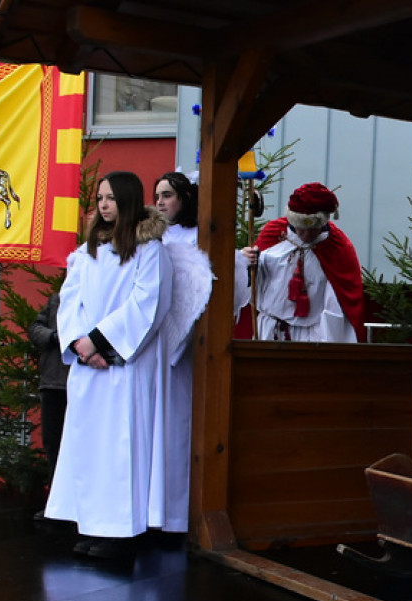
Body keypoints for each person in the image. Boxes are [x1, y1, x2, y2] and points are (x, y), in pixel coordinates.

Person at [44, 171, 174, 559]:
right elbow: (71, 301)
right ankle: (89, 524)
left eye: (112, 198)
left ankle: (118, 533)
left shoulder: (150, 252)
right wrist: (81, 346)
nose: (103, 205)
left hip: (124, 367)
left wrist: (99, 341)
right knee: (88, 447)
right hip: (90, 367)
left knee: (119, 449)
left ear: (129, 201)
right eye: (100, 198)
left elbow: (146, 304)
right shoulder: (87, 253)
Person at [152, 171, 213, 536]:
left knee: (176, 429)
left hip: (183, 350)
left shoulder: (199, 238)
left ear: (185, 199)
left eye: (168, 195)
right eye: (156, 195)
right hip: (150, 348)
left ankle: (176, 515)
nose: (159, 202)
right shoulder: (151, 237)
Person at [243, 183, 365, 342]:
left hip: (315, 336)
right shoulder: (273, 234)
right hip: (270, 331)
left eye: (312, 229)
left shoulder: (337, 247)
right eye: (300, 228)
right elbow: (253, 281)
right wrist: (247, 261)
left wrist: (329, 343)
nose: (305, 235)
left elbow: (341, 304)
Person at [27, 291, 70, 512]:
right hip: (53, 381)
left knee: (76, 447)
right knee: (53, 444)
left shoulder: (98, 296)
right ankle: (55, 505)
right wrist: (53, 337)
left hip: (80, 382)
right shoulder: (58, 297)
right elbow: (34, 328)